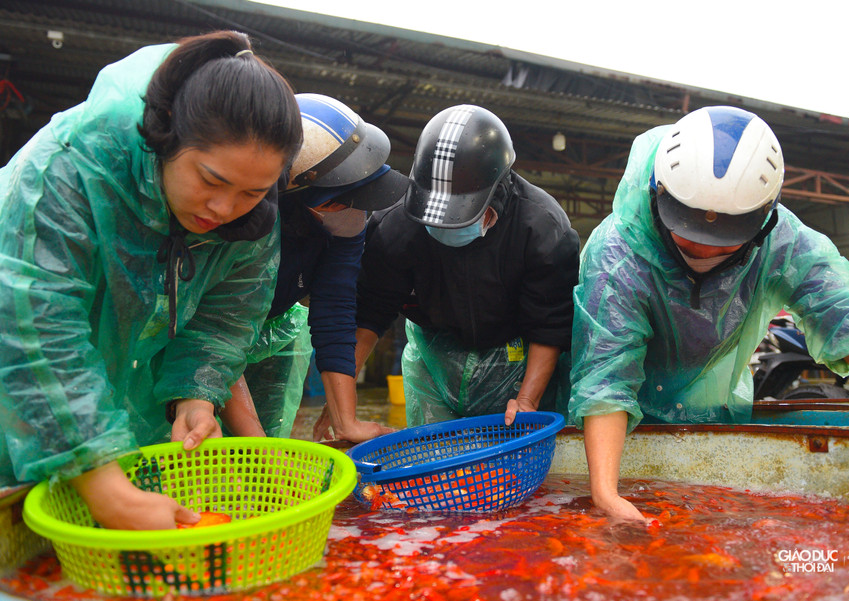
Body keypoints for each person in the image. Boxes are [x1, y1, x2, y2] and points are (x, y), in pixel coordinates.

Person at [0, 31, 303, 530]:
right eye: (210, 180)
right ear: (166, 137)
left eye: (252, 191)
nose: (224, 209)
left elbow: (226, 317)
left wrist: (196, 393)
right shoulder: (70, 171)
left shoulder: (250, 219)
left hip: (120, 419)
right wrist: (105, 485)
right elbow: (37, 331)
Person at [569, 105, 849, 522]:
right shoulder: (617, 255)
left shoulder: (783, 240)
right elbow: (605, 372)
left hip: (712, 412)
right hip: (612, 434)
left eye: (724, 243)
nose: (704, 253)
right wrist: (604, 492)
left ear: (763, 218)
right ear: (659, 197)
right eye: (689, 237)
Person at [339, 104, 579, 433]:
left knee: (512, 459)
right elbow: (369, 314)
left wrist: (527, 399)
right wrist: (341, 401)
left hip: (514, 355)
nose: (445, 228)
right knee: (435, 462)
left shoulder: (542, 229)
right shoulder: (395, 224)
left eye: (459, 217)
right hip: (434, 355)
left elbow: (548, 325)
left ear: (496, 193)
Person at [221, 93, 405, 442]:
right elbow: (217, 329)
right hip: (202, 339)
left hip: (266, 331)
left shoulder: (344, 224)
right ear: (295, 194)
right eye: (340, 201)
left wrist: (345, 420)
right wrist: (257, 444)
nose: (355, 212)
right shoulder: (245, 226)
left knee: (260, 460)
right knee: (196, 444)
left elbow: (335, 311)